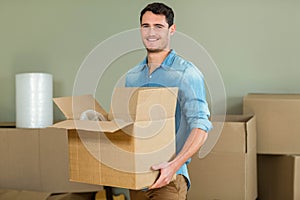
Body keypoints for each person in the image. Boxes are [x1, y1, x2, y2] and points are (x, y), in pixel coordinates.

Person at [125, 2, 212, 200]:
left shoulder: (186, 73)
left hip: (170, 179)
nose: (151, 33)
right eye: (146, 26)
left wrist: (173, 165)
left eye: (159, 26)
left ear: (171, 30)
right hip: (137, 179)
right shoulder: (132, 76)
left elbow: (201, 126)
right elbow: (131, 125)